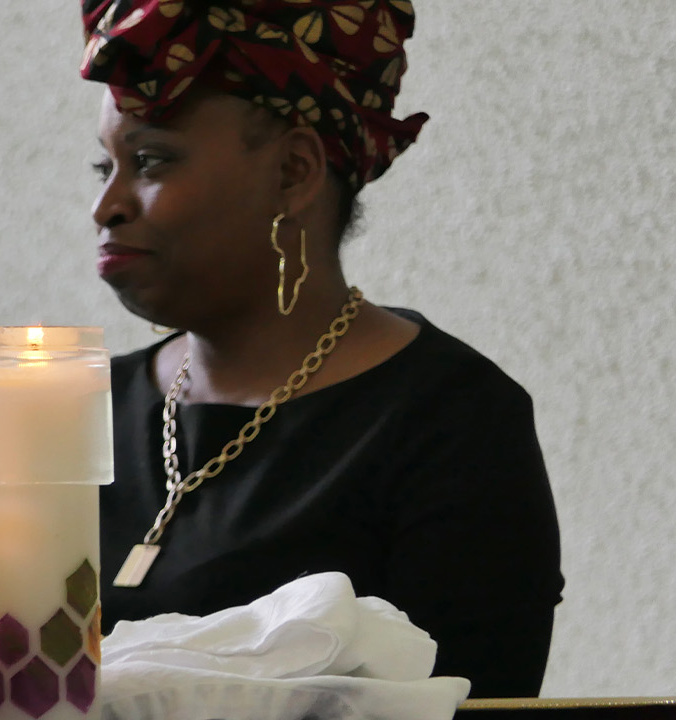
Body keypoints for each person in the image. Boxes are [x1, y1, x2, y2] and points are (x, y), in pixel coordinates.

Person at [79, 0, 563, 698]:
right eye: (105, 168)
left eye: (150, 161)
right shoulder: (72, 407)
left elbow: (474, 700)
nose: (108, 207)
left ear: (293, 171)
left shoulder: (449, 423)